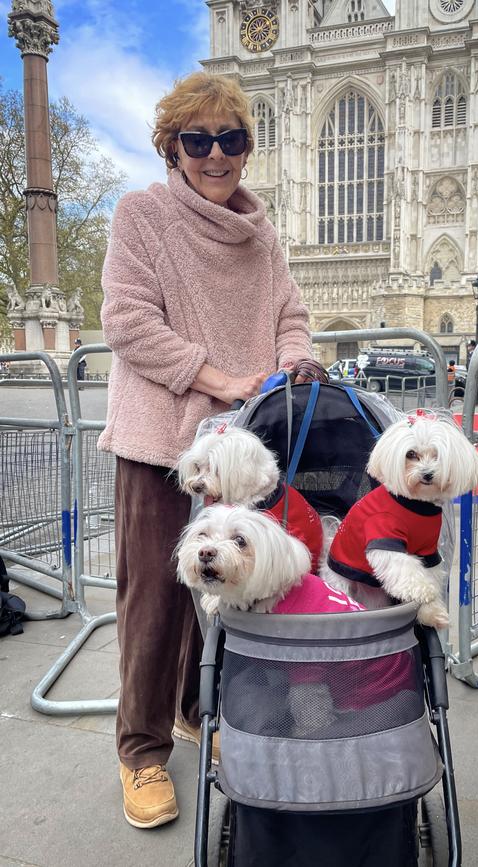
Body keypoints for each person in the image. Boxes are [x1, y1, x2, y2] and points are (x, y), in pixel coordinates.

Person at [97, 71, 325, 830]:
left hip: (239, 444)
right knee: (157, 600)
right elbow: (127, 321)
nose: (216, 154)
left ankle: (200, 712)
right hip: (162, 442)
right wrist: (217, 375)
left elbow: (291, 314)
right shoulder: (142, 215)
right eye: (198, 140)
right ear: (173, 147)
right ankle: (141, 751)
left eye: (231, 140)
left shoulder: (262, 236)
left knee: (232, 590)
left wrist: (294, 357)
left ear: (247, 150)